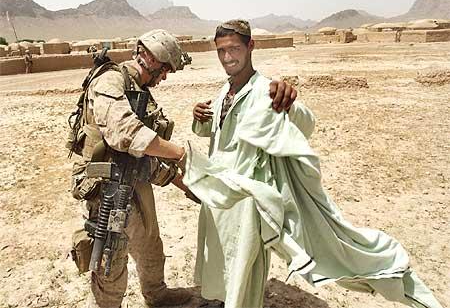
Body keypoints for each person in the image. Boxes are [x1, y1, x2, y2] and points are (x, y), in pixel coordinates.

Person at [185, 19, 443, 308]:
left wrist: (291, 104)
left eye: (234, 49)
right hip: (220, 195)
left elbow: (304, 123)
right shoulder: (225, 92)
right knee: (221, 263)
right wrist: (199, 119)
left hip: (247, 201)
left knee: (245, 271)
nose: (227, 57)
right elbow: (218, 133)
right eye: (221, 51)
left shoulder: (267, 91)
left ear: (251, 46)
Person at [69, 28, 297, 308]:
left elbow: (147, 154)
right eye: (165, 70)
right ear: (152, 60)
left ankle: (157, 295)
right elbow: (125, 133)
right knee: (111, 257)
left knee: (151, 245)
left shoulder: (140, 91)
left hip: (133, 178)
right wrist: (181, 156)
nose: (164, 78)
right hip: (106, 186)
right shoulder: (109, 81)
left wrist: (190, 185)